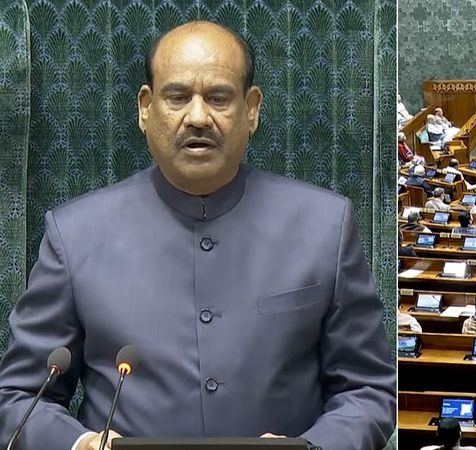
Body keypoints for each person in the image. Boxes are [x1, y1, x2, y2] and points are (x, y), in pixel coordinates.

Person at [0, 21, 395, 450]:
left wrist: (314, 448)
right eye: (177, 97)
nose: (198, 117)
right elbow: (18, 397)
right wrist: (79, 444)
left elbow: (368, 389)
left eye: (218, 98)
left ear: (252, 109)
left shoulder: (325, 226)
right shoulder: (75, 234)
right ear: (146, 108)